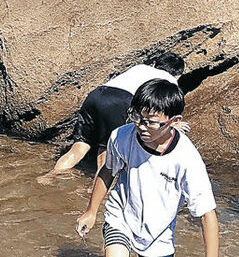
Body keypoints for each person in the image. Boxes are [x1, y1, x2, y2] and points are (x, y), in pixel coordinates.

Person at [69, 79, 221, 257]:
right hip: (122, 217)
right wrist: (92, 211)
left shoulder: (186, 158)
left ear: (173, 122)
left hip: (159, 233)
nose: (140, 126)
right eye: (136, 116)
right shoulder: (123, 137)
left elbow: (207, 215)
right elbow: (108, 172)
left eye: (150, 122)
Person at [44, 52, 185, 179]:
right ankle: (93, 190)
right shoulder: (170, 82)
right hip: (119, 101)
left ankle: (49, 177)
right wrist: (174, 124)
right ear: (178, 75)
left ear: (154, 64)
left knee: (80, 145)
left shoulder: (140, 67)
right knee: (106, 148)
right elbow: (165, 108)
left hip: (96, 95)